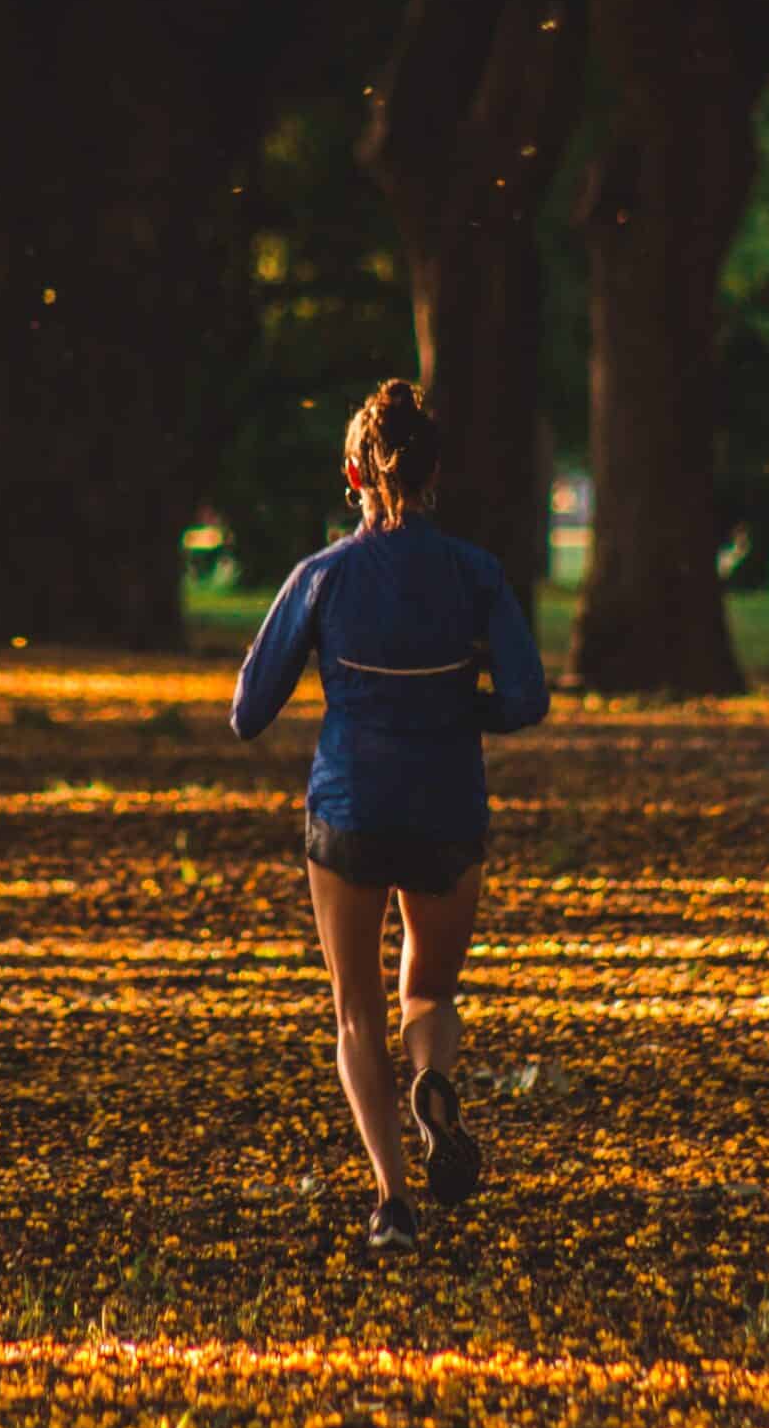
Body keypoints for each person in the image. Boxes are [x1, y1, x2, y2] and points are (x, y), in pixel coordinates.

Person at [231, 380, 550, 1254]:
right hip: (448, 804)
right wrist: (454, 708)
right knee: (431, 991)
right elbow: (526, 698)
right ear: (436, 471)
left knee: (355, 1011)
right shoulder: (478, 575)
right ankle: (434, 1085)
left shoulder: (322, 577)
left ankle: (392, 1201)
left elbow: (249, 710)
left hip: (349, 808)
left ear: (352, 475)